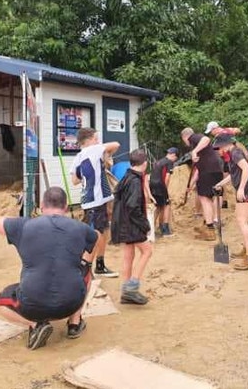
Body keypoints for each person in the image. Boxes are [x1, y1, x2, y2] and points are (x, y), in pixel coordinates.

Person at [0, 187, 98, 350]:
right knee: (86, 272)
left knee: (2, 301)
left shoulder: (24, 226)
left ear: (41, 206)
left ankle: (35, 324)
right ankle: (74, 323)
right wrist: (85, 261)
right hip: (71, 303)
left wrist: (15, 223)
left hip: (32, 305)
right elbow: (95, 235)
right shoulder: (80, 228)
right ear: (66, 207)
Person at [70, 127, 119, 277]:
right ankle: (85, 269)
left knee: (102, 231)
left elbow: (75, 180)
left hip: (91, 200)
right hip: (95, 201)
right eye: (96, 138)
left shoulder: (79, 157)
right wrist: (101, 149)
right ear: (90, 140)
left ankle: (100, 265)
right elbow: (116, 144)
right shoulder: (92, 150)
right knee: (95, 234)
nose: (98, 141)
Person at [111, 149, 154, 304]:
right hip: (131, 224)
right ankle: (132, 287)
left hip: (122, 223)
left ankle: (125, 292)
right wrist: (145, 224)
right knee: (147, 251)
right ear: (145, 164)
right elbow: (132, 207)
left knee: (128, 256)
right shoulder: (135, 181)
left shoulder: (127, 177)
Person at [212, 133, 248, 270]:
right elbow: (234, 175)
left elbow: (246, 169)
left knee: (242, 221)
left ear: (224, 145)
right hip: (245, 187)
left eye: (218, 148)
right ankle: (246, 249)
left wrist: (241, 188)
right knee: (240, 220)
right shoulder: (233, 154)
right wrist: (220, 184)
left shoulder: (235, 153)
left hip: (247, 188)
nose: (218, 151)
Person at [180, 127, 224, 241]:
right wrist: (192, 185)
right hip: (216, 170)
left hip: (207, 172)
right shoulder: (204, 152)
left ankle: (209, 229)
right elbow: (198, 170)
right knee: (214, 196)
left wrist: (194, 151)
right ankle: (212, 221)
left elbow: (206, 139)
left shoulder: (193, 138)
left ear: (185, 137)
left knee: (204, 198)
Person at [149, 147, 179, 237]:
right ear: (173, 155)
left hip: (152, 185)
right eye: (175, 158)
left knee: (158, 207)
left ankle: (152, 228)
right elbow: (167, 177)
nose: (174, 160)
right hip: (160, 185)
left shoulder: (158, 161)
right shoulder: (169, 162)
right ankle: (165, 230)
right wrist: (165, 189)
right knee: (167, 205)